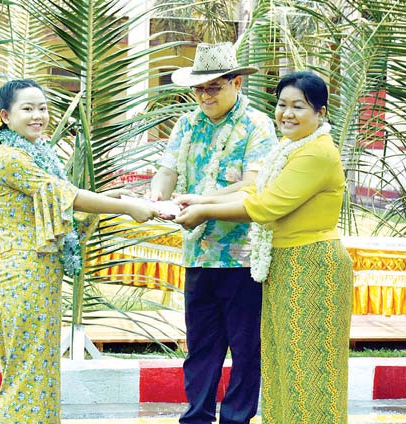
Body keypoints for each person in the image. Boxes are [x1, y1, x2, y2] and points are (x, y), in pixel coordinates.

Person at [176, 71, 353, 423]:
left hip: (312, 266)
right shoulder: (290, 148)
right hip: (285, 264)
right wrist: (200, 199)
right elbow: (255, 191)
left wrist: (204, 211)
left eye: (298, 106)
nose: (287, 113)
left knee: (308, 367)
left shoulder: (317, 153)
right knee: (282, 364)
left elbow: (267, 206)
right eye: (282, 104)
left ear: (320, 112)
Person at [0, 79, 159, 423]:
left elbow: (66, 197)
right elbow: (69, 196)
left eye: (42, 108)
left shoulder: (34, 153)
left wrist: (114, 199)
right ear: (5, 116)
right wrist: (126, 207)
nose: (37, 116)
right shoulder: (11, 159)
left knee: (39, 374)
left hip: (40, 276)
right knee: (27, 376)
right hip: (24, 277)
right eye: (27, 109)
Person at [149, 42, 277, 424]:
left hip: (242, 257)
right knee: (201, 348)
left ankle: (236, 420)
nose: (205, 96)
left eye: (214, 87)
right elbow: (167, 170)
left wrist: (201, 202)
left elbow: (253, 186)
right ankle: (197, 417)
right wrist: (157, 195)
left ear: (237, 83)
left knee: (245, 349)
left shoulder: (257, 125)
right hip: (198, 253)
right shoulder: (186, 124)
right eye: (199, 89)